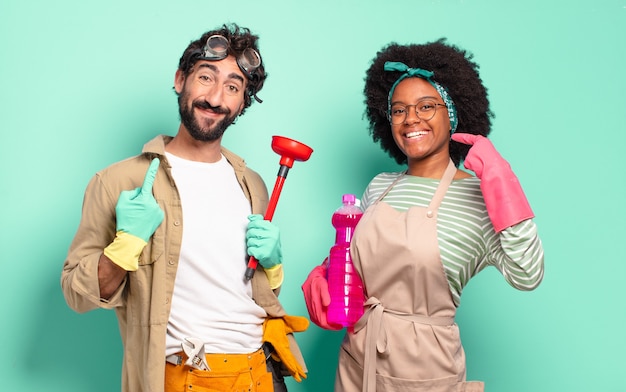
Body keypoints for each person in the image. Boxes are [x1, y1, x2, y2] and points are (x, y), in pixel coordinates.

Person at [61, 23, 308, 392]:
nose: (215, 97)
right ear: (180, 79)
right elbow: (76, 295)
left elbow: (247, 289)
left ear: (241, 103)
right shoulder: (118, 181)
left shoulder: (252, 183)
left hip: (264, 373)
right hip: (188, 378)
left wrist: (273, 268)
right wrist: (125, 245)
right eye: (206, 77)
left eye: (233, 87)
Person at [302, 39, 544, 391]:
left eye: (426, 106)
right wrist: (326, 274)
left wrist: (503, 183)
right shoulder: (379, 186)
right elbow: (355, 260)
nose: (410, 118)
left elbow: (528, 274)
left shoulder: (479, 198)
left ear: (453, 113)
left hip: (426, 373)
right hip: (358, 363)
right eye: (398, 110)